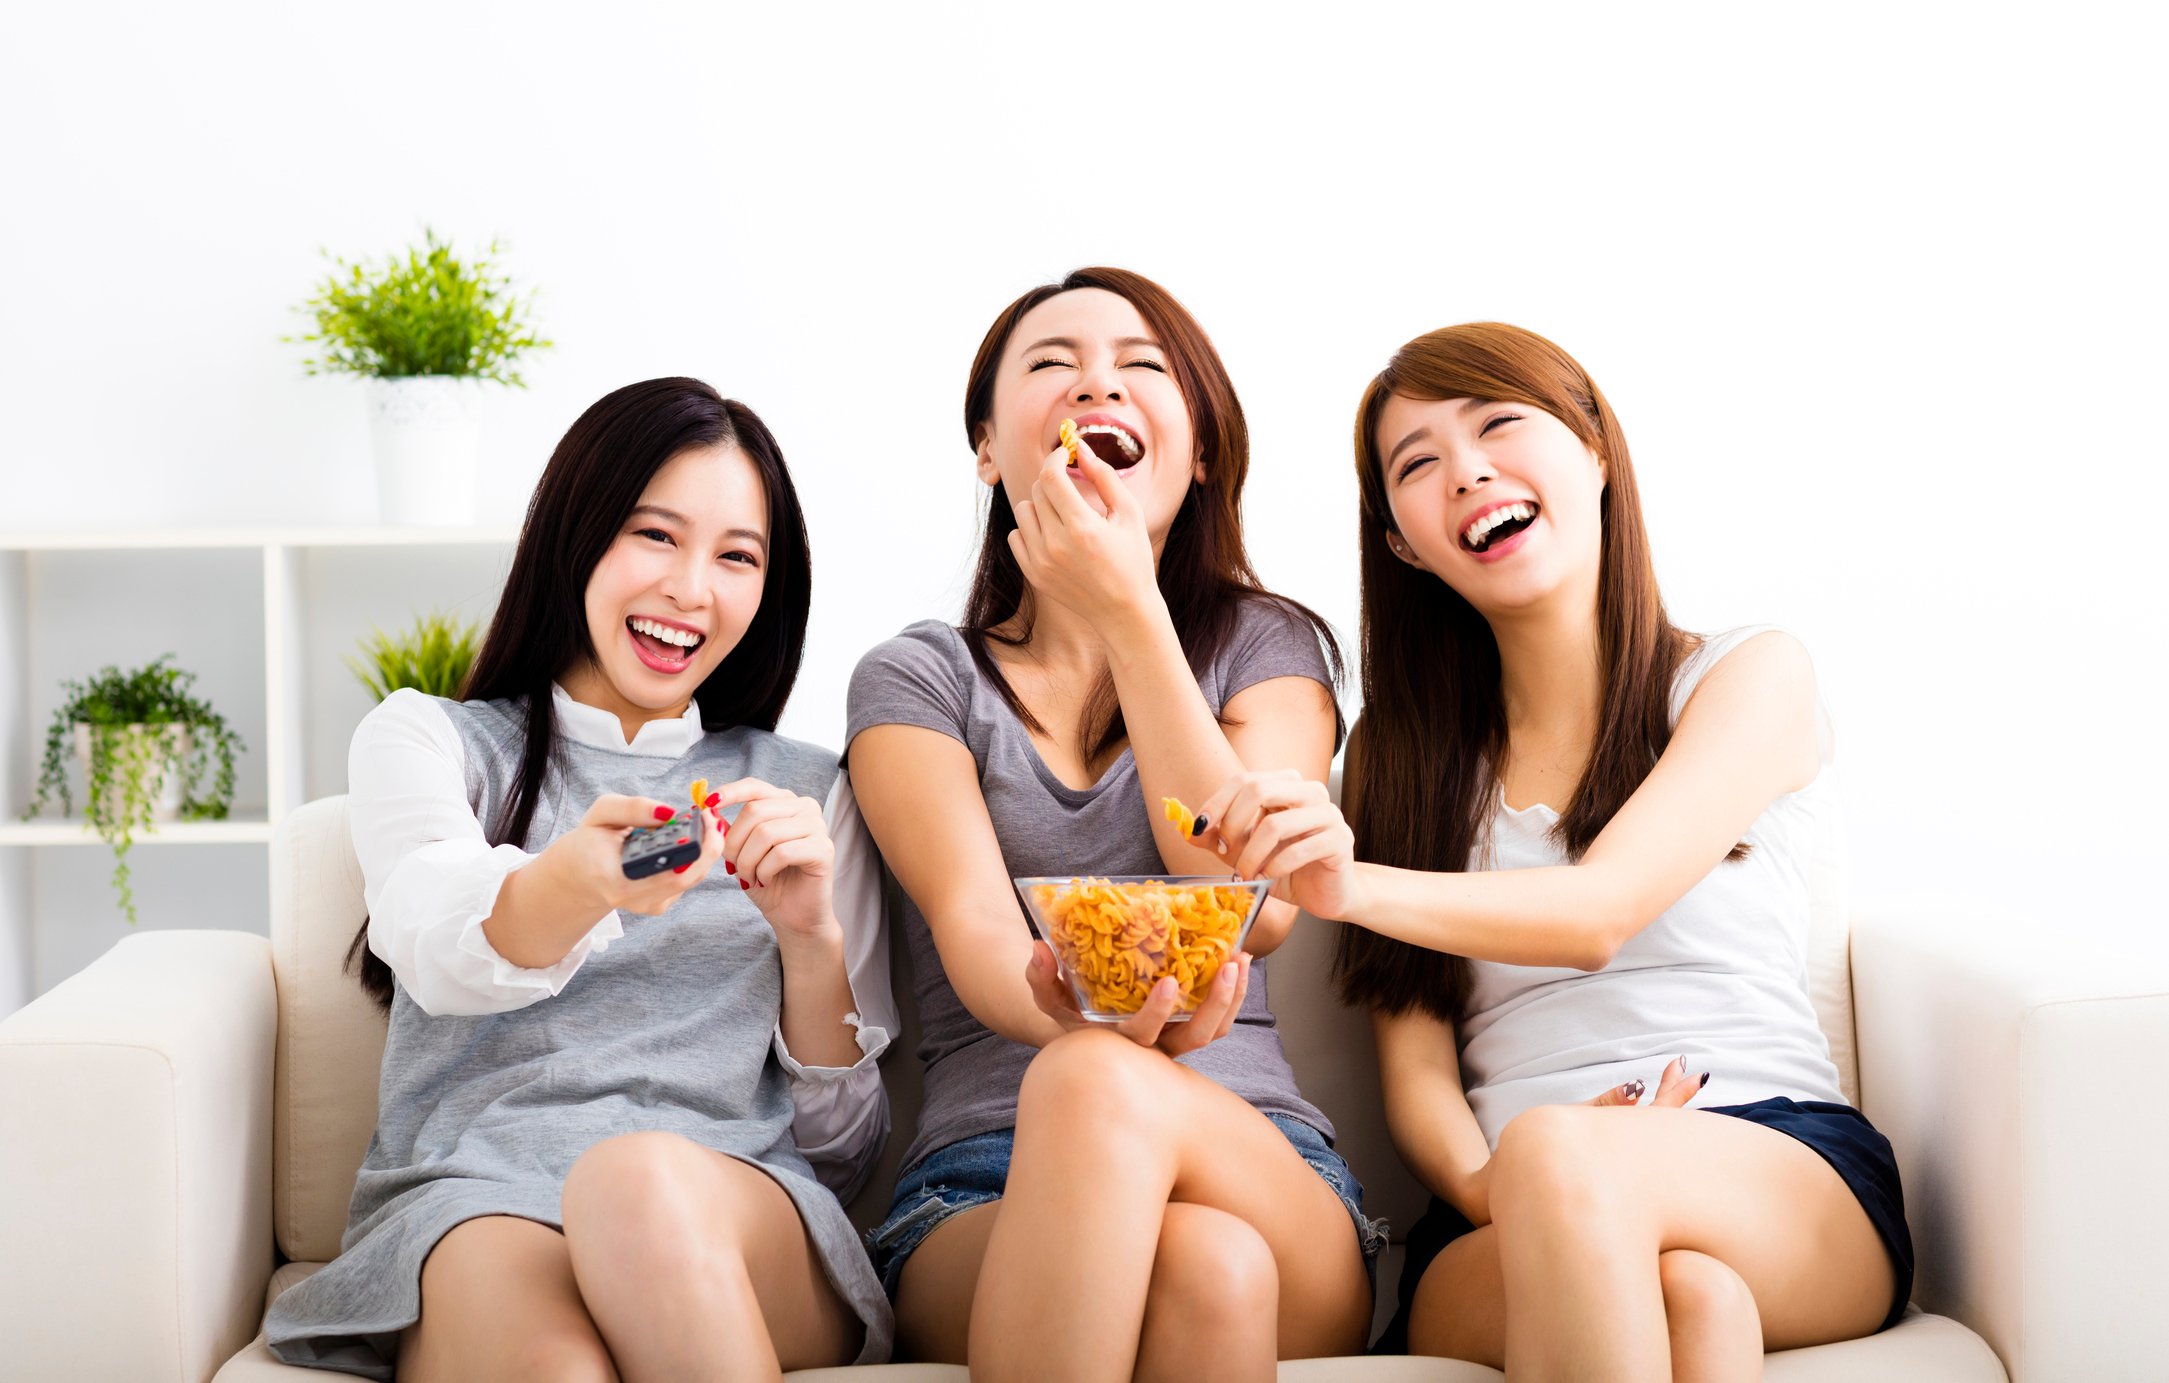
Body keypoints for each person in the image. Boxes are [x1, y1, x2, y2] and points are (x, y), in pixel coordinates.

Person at [1201, 323, 1913, 1378]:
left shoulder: (1746, 677)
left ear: (1594, 452)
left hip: (1771, 1153)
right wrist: (1508, 1187)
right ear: (1400, 540)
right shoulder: (1401, 754)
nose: (1467, 470)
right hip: (1496, 1195)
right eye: (1418, 464)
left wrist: (1348, 884)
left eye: (1497, 425)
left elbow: (1599, 912)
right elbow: (1418, 1072)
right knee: (1694, 1301)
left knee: (1581, 1166)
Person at [266, 378, 896, 1380]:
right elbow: (436, 943)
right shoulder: (430, 741)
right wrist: (581, 880)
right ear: (575, 535)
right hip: (478, 1194)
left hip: (731, 1206)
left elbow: (841, 1151)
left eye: (738, 556)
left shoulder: (810, 794)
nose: (694, 587)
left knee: (638, 1181)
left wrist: (812, 941)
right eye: (655, 535)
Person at [845, 268, 1382, 1382]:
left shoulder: (1268, 649)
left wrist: (1131, 615)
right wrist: (1087, 1027)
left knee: (1116, 1101)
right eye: (1052, 365)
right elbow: (978, 933)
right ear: (991, 449)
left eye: (1142, 367)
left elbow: (1255, 904)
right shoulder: (916, 680)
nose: (1098, 383)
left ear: (1198, 456)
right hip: (984, 1181)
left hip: (1256, 1158)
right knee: (1205, 1267)